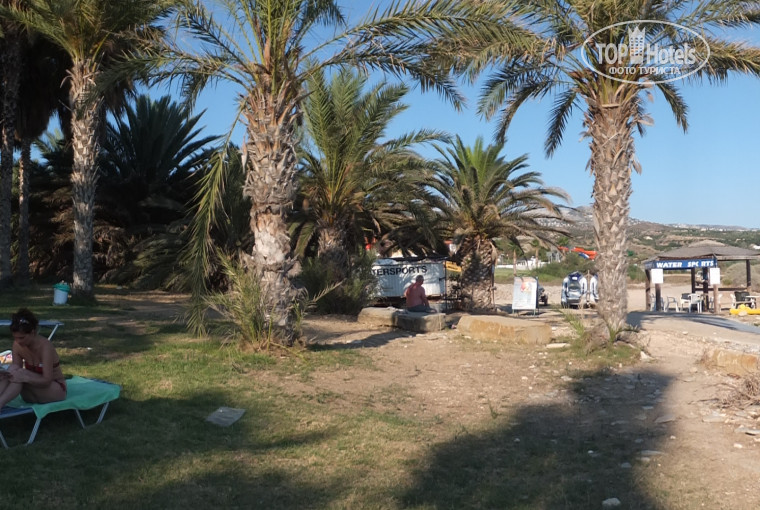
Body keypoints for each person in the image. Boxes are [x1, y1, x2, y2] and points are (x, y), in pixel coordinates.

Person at [0, 308, 67, 410]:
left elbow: (47, 380)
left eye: (22, 338)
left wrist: (25, 378)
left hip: (55, 389)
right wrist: (6, 373)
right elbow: (15, 368)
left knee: (19, 373)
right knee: (11, 372)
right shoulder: (17, 345)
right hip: (32, 392)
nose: (18, 341)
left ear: (32, 332)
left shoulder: (45, 346)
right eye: (15, 337)